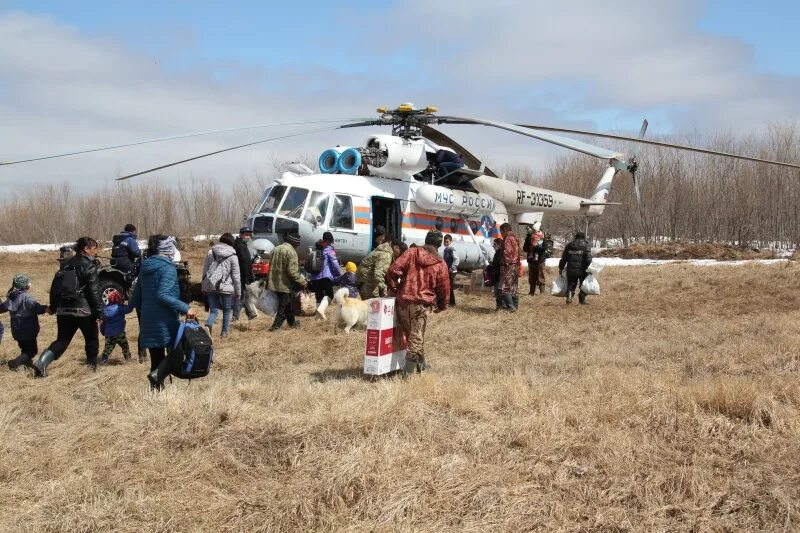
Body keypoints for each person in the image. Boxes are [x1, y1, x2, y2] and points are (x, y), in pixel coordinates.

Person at [129, 235, 196, 390]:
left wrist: (124, 309)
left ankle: (157, 391)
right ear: (168, 250)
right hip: (165, 319)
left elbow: (136, 296)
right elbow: (163, 295)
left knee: (156, 357)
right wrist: (186, 308)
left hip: (148, 319)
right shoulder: (168, 268)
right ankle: (157, 377)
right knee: (178, 351)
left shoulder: (145, 267)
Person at [33, 237, 103, 377]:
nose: (95, 252)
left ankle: (41, 362)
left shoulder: (65, 265)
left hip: (63, 310)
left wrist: (53, 307)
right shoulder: (89, 266)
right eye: (94, 249)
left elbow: (55, 289)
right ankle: (91, 370)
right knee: (91, 339)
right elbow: (94, 293)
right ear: (86, 249)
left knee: (62, 340)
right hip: (84, 310)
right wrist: (99, 314)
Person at [386, 230, 450, 376]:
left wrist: (395, 288)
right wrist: (442, 305)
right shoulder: (440, 263)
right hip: (421, 305)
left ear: (426, 240)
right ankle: (407, 374)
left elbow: (393, 270)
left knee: (413, 335)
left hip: (402, 302)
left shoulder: (412, 252)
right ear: (439, 244)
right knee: (416, 338)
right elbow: (444, 288)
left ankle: (422, 367)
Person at [1, 274, 48, 370]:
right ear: (26, 285)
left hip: (16, 330)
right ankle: (14, 363)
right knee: (32, 351)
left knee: (24, 349)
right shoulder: (26, 297)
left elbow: (4, 307)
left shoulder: (11, 296)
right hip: (28, 329)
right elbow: (36, 307)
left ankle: (27, 364)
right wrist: (46, 308)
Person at [201, 233, 241, 338]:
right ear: (231, 242)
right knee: (227, 311)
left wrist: (203, 286)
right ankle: (224, 333)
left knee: (213, 310)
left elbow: (205, 270)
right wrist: (238, 292)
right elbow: (236, 276)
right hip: (226, 287)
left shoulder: (211, 252)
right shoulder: (233, 256)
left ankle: (208, 325)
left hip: (211, 285)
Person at [268, 233, 307, 331]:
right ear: (295, 243)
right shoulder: (291, 252)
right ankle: (275, 327)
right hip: (285, 284)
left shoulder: (275, 249)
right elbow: (292, 271)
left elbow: (270, 266)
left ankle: (292, 323)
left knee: (288, 305)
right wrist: (303, 282)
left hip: (273, 282)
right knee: (283, 306)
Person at [99, 289, 135, 364]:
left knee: (107, 349)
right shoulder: (120, 308)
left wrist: (102, 329)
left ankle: (104, 361)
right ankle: (128, 360)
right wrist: (131, 300)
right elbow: (129, 309)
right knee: (125, 347)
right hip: (119, 333)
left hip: (109, 334)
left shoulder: (105, 309)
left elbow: (103, 320)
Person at [357, 231, 394, 299]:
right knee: (373, 305)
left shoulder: (382, 249)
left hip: (365, 280)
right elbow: (378, 274)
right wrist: (384, 288)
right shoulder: (386, 254)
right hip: (368, 282)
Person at [559, 231, 593, 304]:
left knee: (571, 284)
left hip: (570, 269)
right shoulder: (586, 245)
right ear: (583, 237)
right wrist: (590, 268)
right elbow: (588, 259)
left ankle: (569, 296)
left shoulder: (569, 245)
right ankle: (582, 300)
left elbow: (564, 258)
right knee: (583, 285)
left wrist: (561, 267)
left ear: (576, 237)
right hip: (582, 270)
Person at [309, 231, 342, 304]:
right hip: (326, 278)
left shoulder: (317, 248)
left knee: (318, 300)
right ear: (329, 241)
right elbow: (334, 263)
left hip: (314, 278)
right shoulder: (330, 250)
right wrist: (339, 273)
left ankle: (318, 313)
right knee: (329, 299)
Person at [232, 227, 257, 321]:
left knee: (244, 294)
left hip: (240, 274)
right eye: (246, 234)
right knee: (241, 295)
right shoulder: (241, 246)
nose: (248, 237)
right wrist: (248, 277)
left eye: (250, 235)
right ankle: (236, 316)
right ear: (241, 234)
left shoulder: (240, 244)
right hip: (241, 274)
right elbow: (244, 262)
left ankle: (249, 313)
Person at [498, 222, 521, 312]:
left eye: (501, 231)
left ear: (505, 230)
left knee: (505, 286)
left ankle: (511, 307)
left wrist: (505, 263)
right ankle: (515, 306)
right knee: (514, 286)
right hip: (515, 265)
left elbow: (507, 252)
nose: (501, 233)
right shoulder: (515, 238)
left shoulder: (507, 239)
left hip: (508, 265)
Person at [523, 221, 546, 297]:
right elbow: (525, 248)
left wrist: (536, 248)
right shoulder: (529, 236)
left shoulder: (542, 236)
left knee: (540, 276)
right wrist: (531, 247)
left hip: (540, 260)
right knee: (532, 276)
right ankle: (531, 292)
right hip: (531, 259)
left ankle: (542, 293)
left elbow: (544, 248)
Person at [488, 238, 506, 311]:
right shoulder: (497, 253)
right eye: (493, 244)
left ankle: (502, 307)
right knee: (497, 292)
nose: (493, 246)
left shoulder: (501, 254)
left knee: (500, 292)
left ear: (500, 245)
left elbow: (500, 265)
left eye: (495, 244)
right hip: (496, 275)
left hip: (499, 276)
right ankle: (499, 307)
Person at [442, 234, 459, 306]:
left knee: (450, 287)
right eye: (444, 241)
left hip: (452, 271)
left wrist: (452, 268)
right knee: (447, 287)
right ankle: (448, 302)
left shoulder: (452, 249)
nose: (445, 243)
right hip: (447, 271)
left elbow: (457, 259)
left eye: (447, 242)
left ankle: (452, 303)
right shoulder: (445, 250)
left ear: (450, 241)